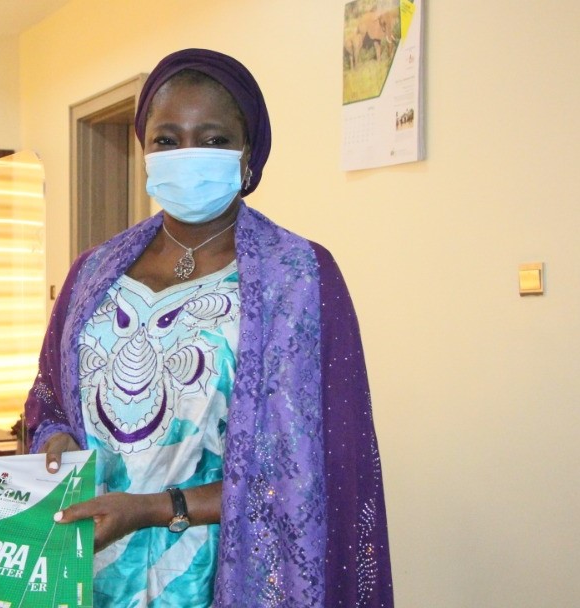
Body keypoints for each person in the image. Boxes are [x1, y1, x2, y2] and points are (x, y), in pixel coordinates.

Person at [24, 48, 392, 607]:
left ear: (248, 155)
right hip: (88, 568)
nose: (187, 155)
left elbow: (317, 464)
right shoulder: (93, 272)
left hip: (229, 571)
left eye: (214, 139)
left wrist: (156, 508)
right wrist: (54, 438)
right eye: (167, 140)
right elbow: (49, 395)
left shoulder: (300, 276)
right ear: (143, 149)